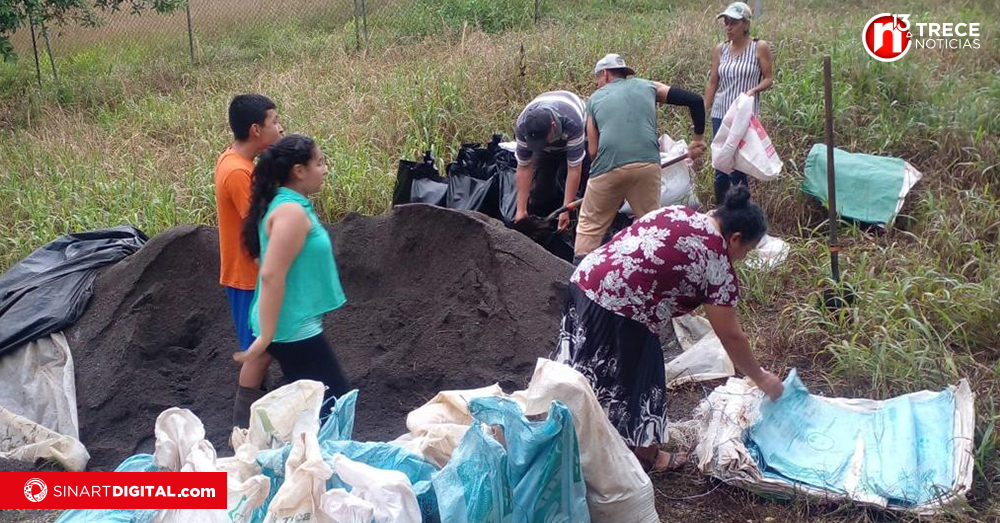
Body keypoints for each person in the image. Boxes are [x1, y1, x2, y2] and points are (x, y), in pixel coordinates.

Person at [554, 186, 784, 473]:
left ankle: (568, 428)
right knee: (645, 376)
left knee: (585, 365)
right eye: (745, 251)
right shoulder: (716, 261)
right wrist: (761, 377)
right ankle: (649, 456)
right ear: (735, 238)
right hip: (624, 307)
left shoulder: (679, 212)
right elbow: (731, 335)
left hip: (586, 280)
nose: (741, 258)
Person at [233, 134, 350, 411]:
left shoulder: (282, 204)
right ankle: (257, 441)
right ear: (299, 171)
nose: (325, 170)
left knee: (317, 404)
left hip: (290, 323)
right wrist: (265, 337)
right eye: (319, 163)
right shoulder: (291, 212)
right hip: (292, 327)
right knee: (334, 405)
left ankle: (249, 436)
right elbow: (271, 275)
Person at [578, 53, 707, 263]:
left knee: (589, 226)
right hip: (647, 165)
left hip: (607, 167)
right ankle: (652, 270)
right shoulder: (648, 86)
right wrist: (697, 140)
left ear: (605, 74)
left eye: (597, 80)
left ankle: (576, 274)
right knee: (650, 224)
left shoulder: (593, 100)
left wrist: (609, 180)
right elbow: (694, 100)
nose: (597, 85)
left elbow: (593, 150)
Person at [215, 94, 283, 427]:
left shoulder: (236, 162)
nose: (280, 127)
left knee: (265, 348)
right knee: (261, 350)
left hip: (249, 275)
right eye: (274, 121)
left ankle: (258, 418)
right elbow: (257, 228)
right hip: (248, 278)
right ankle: (242, 427)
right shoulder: (238, 173)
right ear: (256, 129)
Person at [703, 2, 774, 205]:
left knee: (740, 166)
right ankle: (721, 211)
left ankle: (742, 213)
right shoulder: (721, 49)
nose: (728, 28)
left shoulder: (759, 47)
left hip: (744, 116)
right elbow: (713, 81)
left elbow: (768, 78)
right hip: (721, 113)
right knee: (721, 164)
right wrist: (704, 109)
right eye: (726, 23)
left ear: (745, 23)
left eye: (733, 23)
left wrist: (753, 90)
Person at [513, 90, 590, 232]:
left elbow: (574, 170)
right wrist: (521, 209)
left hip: (578, 135)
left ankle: (577, 224)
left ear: (553, 126)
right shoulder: (523, 126)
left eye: (542, 140)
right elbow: (524, 167)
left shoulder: (573, 123)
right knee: (541, 190)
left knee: (585, 187)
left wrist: (565, 209)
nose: (540, 144)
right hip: (550, 142)